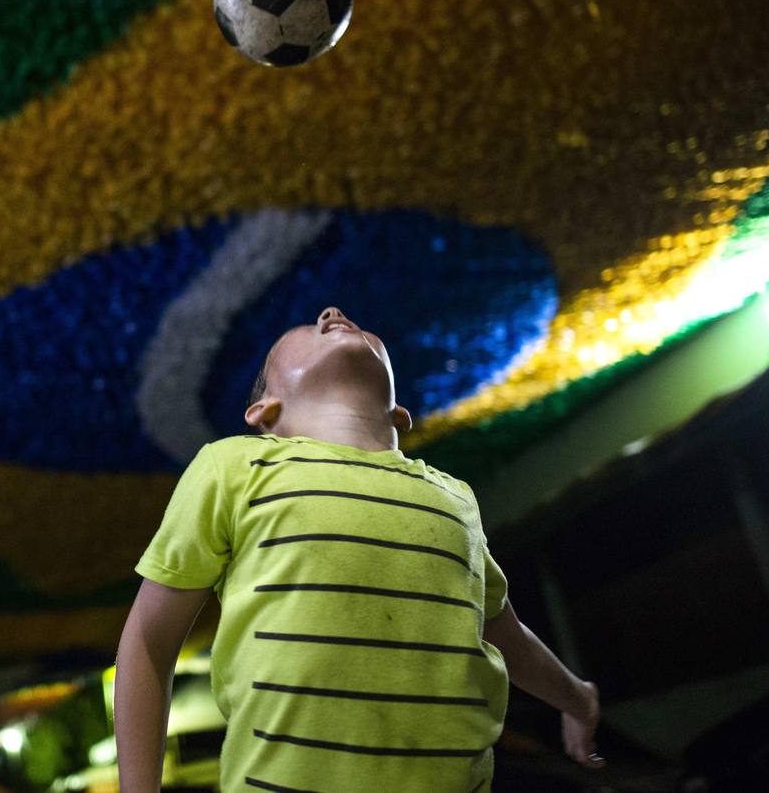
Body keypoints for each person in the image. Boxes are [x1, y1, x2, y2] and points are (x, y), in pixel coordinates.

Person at [114, 307, 605, 792]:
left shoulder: (455, 497)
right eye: (307, 328)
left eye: (353, 324)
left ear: (398, 411)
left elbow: (508, 637)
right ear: (263, 411)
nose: (332, 313)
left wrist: (578, 700)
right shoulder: (236, 466)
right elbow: (150, 642)